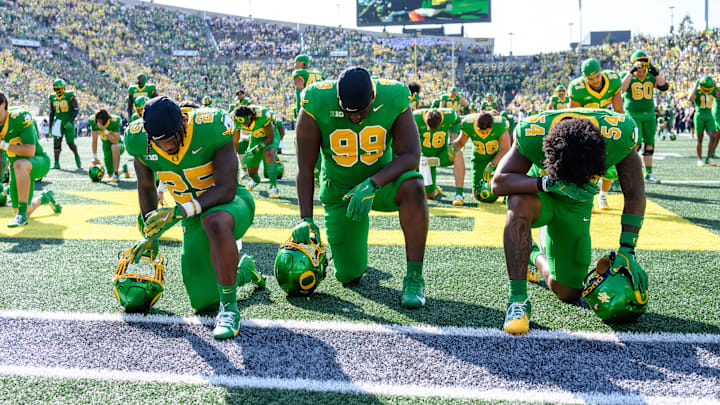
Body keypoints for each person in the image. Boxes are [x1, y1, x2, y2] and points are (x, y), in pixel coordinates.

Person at [492, 108, 648, 335]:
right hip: (541, 193)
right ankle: (517, 300)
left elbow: (634, 194)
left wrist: (627, 248)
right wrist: (547, 183)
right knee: (518, 202)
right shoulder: (533, 133)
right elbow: (499, 183)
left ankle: (533, 255)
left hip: (577, 205)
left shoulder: (619, 134)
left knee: (568, 293)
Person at [125, 96, 264, 339]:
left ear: (182, 124)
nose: (167, 147)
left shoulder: (210, 126)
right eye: (160, 143)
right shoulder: (136, 138)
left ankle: (229, 309)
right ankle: (243, 271)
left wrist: (179, 211)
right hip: (191, 216)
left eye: (171, 140)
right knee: (203, 301)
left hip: (230, 204)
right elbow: (145, 186)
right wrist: (151, 235)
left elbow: (226, 188)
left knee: (215, 221)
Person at [294, 67, 429, 308]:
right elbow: (305, 168)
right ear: (337, 99)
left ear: (373, 98)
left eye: (361, 112)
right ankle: (353, 256)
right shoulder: (316, 100)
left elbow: (411, 156)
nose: (355, 118)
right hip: (340, 192)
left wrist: (373, 183)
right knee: (349, 276)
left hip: (382, 183)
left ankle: (415, 277)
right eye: (348, 112)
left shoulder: (393, 95)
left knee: (414, 187)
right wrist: (306, 218)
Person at [569, 58, 624, 210]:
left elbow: (619, 111)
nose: (595, 81)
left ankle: (603, 196)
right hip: (586, 128)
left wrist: (621, 129)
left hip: (605, 124)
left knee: (610, 166)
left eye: (597, 77)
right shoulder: (577, 87)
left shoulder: (613, 80)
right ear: (584, 78)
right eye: (590, 79)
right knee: (587, 166)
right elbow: (574, 116)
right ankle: (588, 198)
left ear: (601, 71)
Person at [0, 91, 61, 227]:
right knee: (23, 210)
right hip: (17, 169)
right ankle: (44, 198)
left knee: (19, 164)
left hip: (38, 161)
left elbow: (29, 151)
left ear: (3, 105)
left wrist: (3, 145)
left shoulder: (19, 117)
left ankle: (21, 215)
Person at [620, 51, 669, 183]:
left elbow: (664, 86)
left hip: (649, 115)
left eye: (644, 68)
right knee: (635, 144)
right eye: (639, 69)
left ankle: (648, 173)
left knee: (650, 144)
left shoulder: (650, 76)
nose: (642, 71)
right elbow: (621, 88)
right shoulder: (627, 75)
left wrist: (655, 72)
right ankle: (628, 174)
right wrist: (632, 71)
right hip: (632, 114)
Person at [453, 112, 511, 203]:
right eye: (481, 131)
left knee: (494, 192)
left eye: (487, 131)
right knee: (478, 196)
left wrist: (492, 165)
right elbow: (460, 143)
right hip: (479, 159)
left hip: (496, 158)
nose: (484, 134)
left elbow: (506, 148)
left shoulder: (499, 125)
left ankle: (507, 193)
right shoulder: (468, 124)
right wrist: (451, 147)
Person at [413, 108, 465, 205]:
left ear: (441, 121)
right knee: (430, 195)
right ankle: (434, 189)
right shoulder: (416, 116)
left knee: (458, 154)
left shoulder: (449, 115)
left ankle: (459, 195)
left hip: (442, 154)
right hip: (426, 159)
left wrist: (453, 142)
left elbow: (463, 120)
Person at [232, 105, 280, 199]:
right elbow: (235, 141)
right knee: (251, 172)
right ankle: (255, 180)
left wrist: (254, 151)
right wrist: (233, 157)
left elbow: (270, 138)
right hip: (255, 139)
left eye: (246, 122)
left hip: (270, 137)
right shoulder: (235, 120)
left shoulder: (262, 115)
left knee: (268, 153)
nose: (244, 125)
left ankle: (273, 186)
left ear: (251, 116)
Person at [292, 54, 324, 185]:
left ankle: (311, 173)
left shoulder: (299, 73)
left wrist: (300, 108)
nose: (294, 64)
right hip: (320, 109)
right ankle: (320, 172)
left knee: (302, 142)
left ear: (302, 63)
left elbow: (299, 89)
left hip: (307, 108)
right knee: (321, 143)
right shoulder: (318, 73)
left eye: (296, 62)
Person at [49, 79, 81, 170]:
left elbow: (76, 110)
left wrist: (70, 121)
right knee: (56, 143)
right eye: (55, 89)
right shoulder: (52, 97)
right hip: (57, 122)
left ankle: (76, 155)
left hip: (67, 121)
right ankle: (56, 162)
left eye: (59, 89)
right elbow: (51, 112)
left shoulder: (69, 95)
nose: (57, 91)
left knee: (70, 143)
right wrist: (50, 126)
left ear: (63, 88)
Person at [88, 109, 129, 182]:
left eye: (101, 121)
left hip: (118, 146)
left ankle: (116, 174)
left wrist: (104, 130)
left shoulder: (114, 121)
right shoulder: (93, 121)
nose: (99, 123)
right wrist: (94, 157)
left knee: (114, 146)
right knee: (110, 175)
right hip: (106, 149)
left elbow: (115, 141)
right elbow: (94, 140)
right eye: (98, 121)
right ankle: (123, 169)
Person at [689, 76, 720, 166]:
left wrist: (715, 86)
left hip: (709, 115)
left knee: (713, 137)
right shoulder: (698, 91)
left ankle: (709, 158)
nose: (708, 90)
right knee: (699, 139)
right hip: (699, 116)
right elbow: (690, 98)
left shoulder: (712, 90)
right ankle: (699, 159)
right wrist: (695, 86)